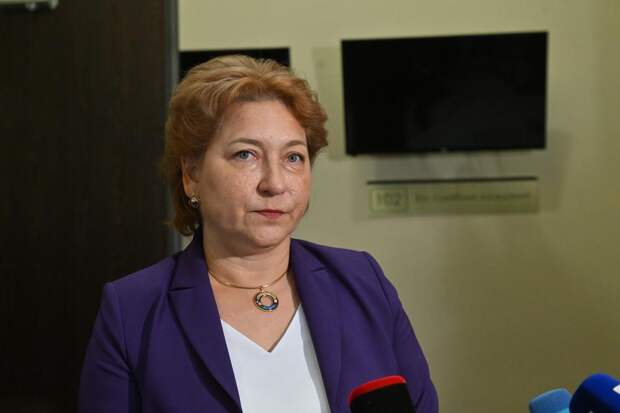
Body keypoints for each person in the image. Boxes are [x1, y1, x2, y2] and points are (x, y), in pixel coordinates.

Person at [78, 55, 438, 413]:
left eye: (293, 157)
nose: (275, 183)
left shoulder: (362, 281)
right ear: (191, 174)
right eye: (246, 155)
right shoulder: (133, 309)